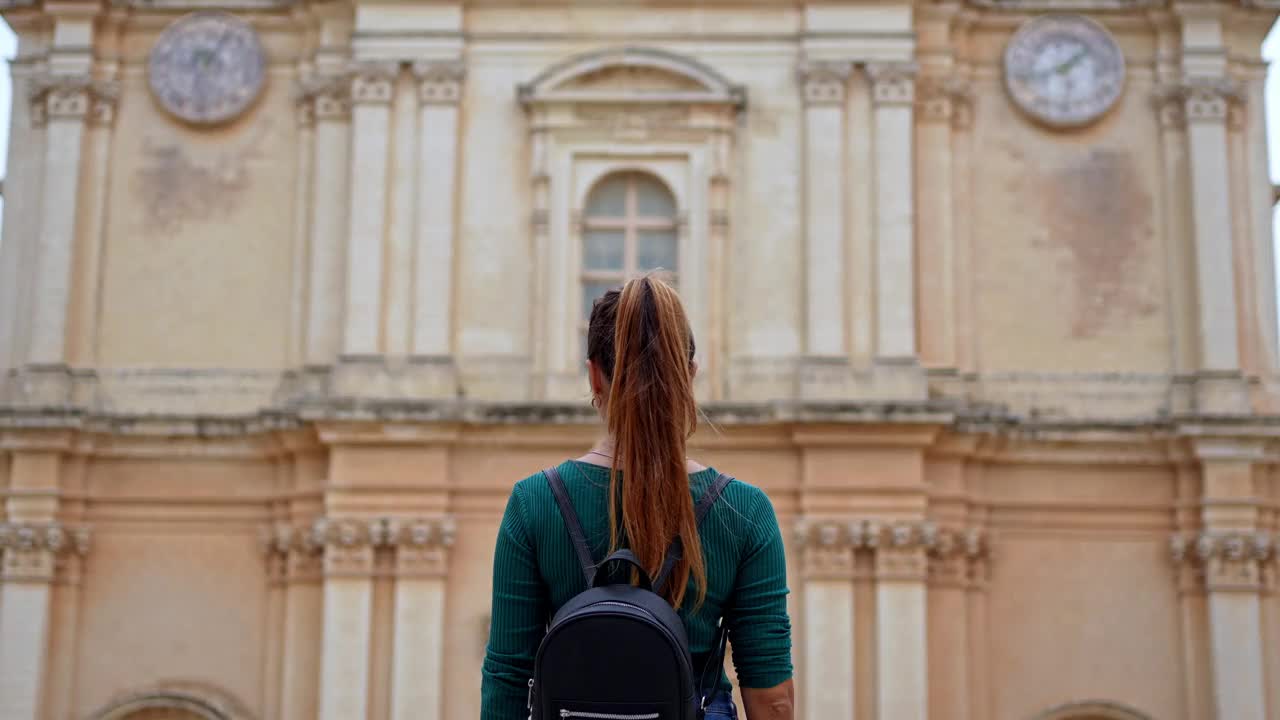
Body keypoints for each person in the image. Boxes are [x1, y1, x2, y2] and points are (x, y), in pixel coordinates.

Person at [480, 275, 794, 720]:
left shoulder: (534, 502)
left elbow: (508, 680)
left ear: (593, 375)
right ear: (689, 374)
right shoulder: (744, 511)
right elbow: (772, 697)